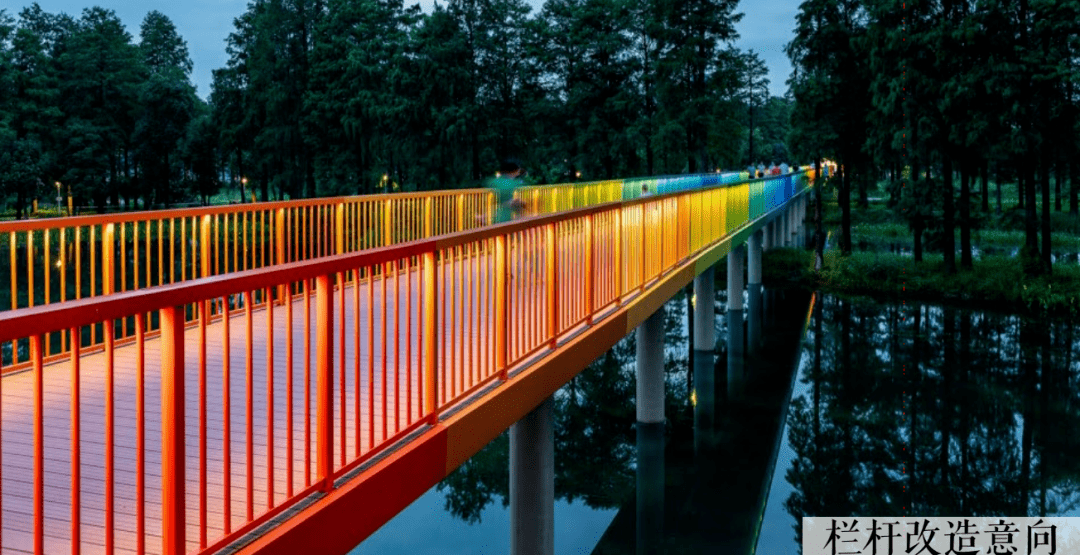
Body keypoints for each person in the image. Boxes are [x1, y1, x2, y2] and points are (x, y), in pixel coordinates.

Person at [487, 160, 527, 224]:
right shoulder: (514, 183)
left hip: (494, 217)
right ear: (514, 171)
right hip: (507, 218)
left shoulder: (493, 182)